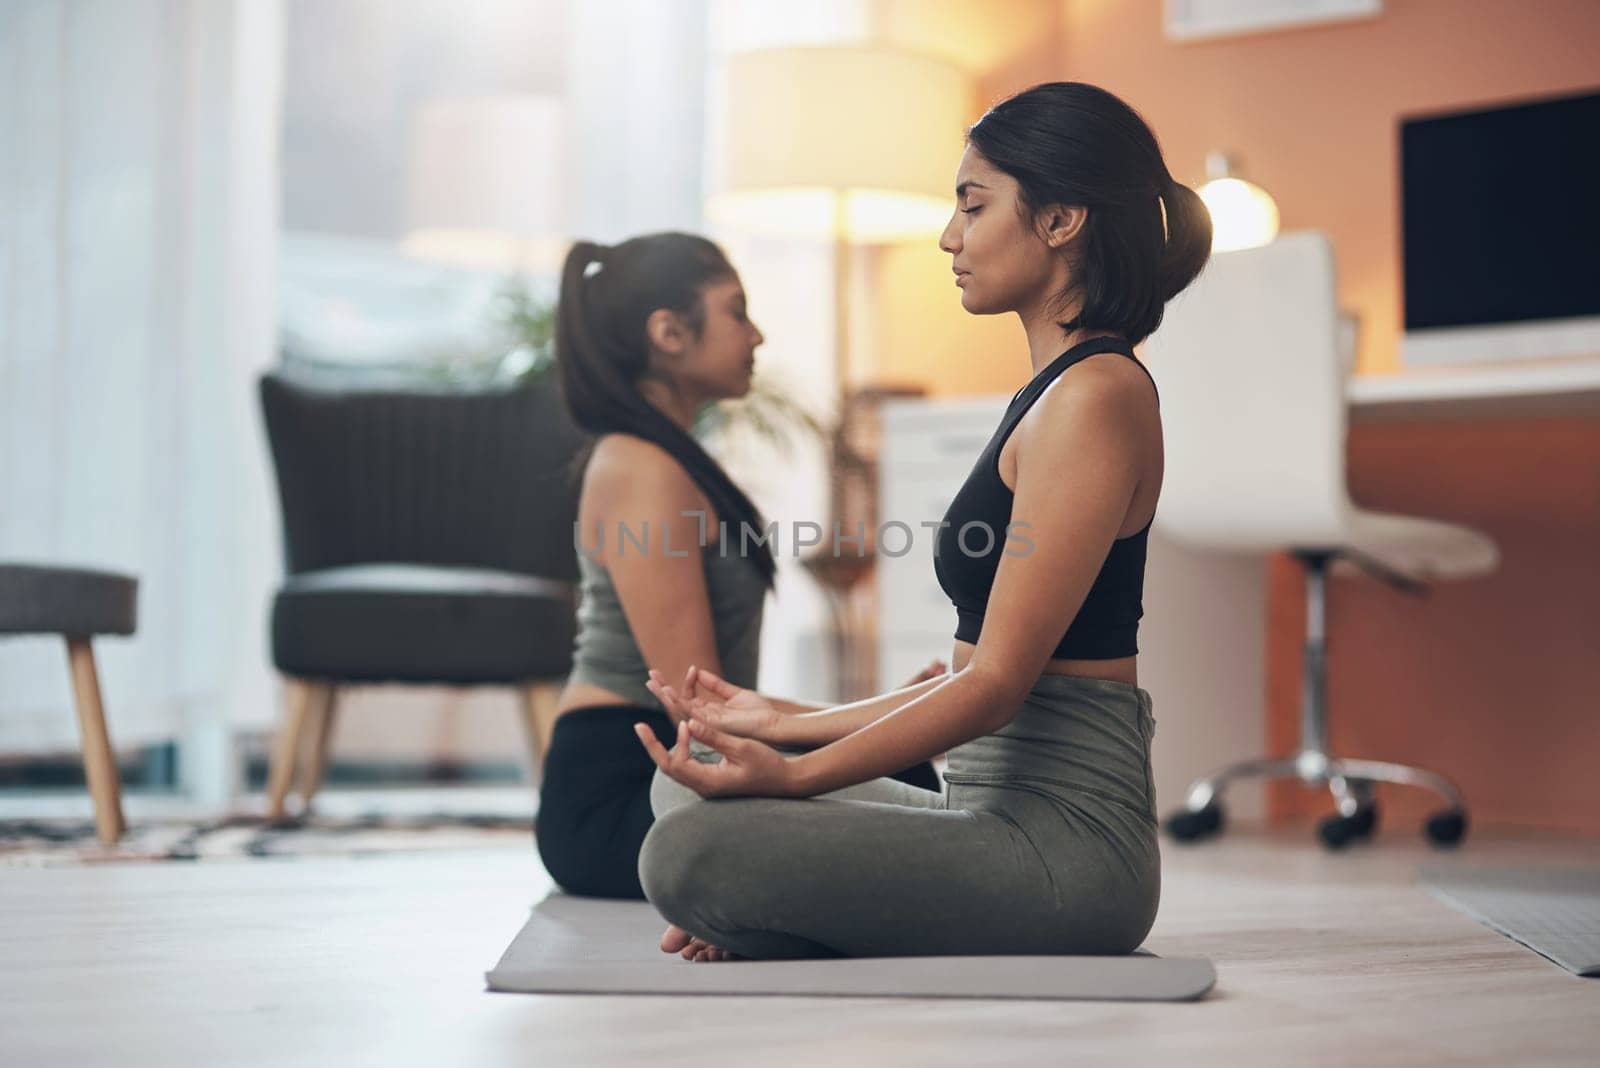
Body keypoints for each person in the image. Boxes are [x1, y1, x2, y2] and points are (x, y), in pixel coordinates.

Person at [634, 81, 1213, 962]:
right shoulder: (1054, 392)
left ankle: (783, 911)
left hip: (1066, 854)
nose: (950, 236)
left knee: (689, 851)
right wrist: (776, 721)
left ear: (1061, 219)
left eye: (973, 206)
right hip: (979, 809)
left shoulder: (1096, 397)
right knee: (692, 789)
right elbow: (961, 671)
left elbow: (993, 690)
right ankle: (794, 911)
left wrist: (791, 776)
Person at [534, 231, 946, 902]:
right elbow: (700, 704)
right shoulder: (641, 468)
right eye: (735, 311)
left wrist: (886, 722)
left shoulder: (670, 459)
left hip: (675, 758)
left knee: (910, 781)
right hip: (620, 791)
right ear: (668, 332)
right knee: (913, 787)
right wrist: (886, 719)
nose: (755, 335)